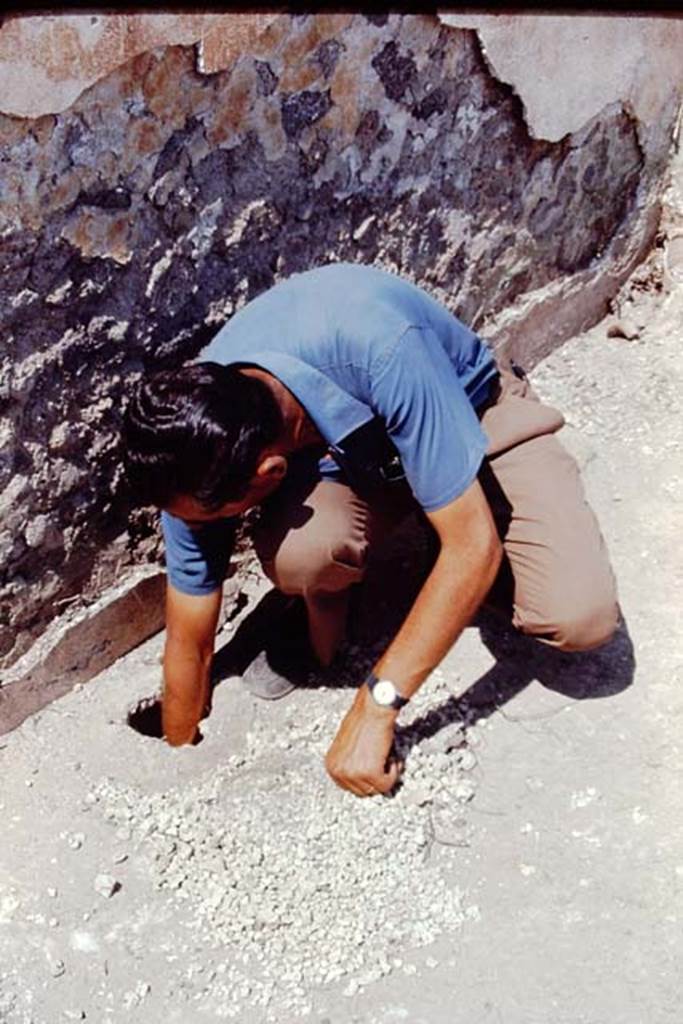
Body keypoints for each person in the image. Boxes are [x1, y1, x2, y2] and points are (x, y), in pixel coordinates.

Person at [122, 262, 618, 798]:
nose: (197, 531)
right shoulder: (195, 445)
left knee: (577, 616)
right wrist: (179, 735)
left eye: (213, 521)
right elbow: (189, 629)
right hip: (355, 463)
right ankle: (412, 561)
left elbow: (473, 546)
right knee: (306, 555)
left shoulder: (381, 347)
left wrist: (375, 707)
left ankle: (448, 545)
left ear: (269, 474)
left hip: (469, 415)